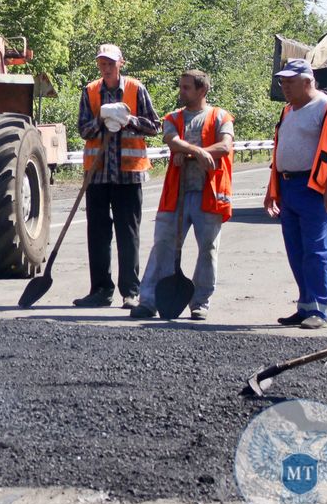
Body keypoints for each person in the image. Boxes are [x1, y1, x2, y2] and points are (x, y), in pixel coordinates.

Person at [131, 70, 233, 320]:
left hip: (209, 196)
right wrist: (196, 153)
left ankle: (200, 302)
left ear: (202, 90)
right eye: (181, 86)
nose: (182, 91)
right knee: (162, 247)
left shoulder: (221, 116)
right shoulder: (173, 117)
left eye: (187, 87)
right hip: (175, 195)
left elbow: (225, 146)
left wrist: (187, 152)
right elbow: (171, 139)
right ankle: (149, 301)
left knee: (208, 249)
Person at [74, 44, 161, 308]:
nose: (107, 68)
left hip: (128, 175)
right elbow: (82, 129)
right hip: (97, 175)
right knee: (97, 234)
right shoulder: (90, 92)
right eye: (102, 63)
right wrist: (101, 120)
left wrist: (128, 119)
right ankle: (100, 290)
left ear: (121, 63)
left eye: (111, 63)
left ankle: (131, 292)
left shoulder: (136, 89)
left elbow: (155, 126)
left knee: (128, 233)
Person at [264, 58, 327, 329]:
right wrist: (273, 191)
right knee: (296, 250)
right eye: (282, 81)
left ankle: (319, 310)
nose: (284, 86)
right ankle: (305, 306)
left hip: (314, 189)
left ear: (307, 81)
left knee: (316, 251)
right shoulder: (288, 110)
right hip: (288, 187)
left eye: (290, 82)